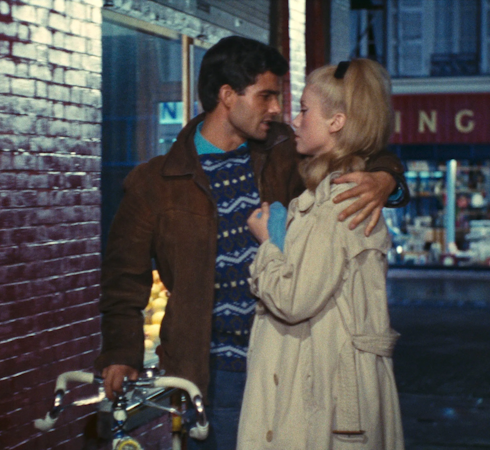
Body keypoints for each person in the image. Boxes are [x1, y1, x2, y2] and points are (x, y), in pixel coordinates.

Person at [95, 36, 408, 449]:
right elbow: (123, 279)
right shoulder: (155, 183)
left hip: (292, 362)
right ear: (228, 96)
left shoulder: (286, 151)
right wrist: (122, 353)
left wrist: (385, 179)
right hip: (213, 373)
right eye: (265, 96)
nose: (277, 109)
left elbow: (357, 146)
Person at [239, 59, 404, 449]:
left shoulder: (339, 203)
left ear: (337, 122)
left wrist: (267, 244)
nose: (294, 120)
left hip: (321, 394)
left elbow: (294, 299)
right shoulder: (337, 193)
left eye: (303, 110)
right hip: (325, 386)